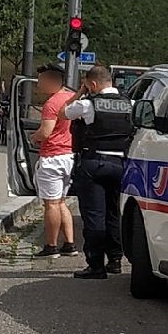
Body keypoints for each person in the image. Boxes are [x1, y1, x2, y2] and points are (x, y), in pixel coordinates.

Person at [62, 65, 135, 279]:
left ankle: (96, 265)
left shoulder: (87, 104)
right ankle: (115, 260)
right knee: (115, 214)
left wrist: (79, 92)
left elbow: (63, 112)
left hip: (95, 163)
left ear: (92, 84)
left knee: (94, 215)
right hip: (122, 164)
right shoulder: (130, 104)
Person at [32, 64, 79, 259]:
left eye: (41, 80)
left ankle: (51, 246)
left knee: (51, 204)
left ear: (52, 81)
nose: (39, 85)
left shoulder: (52, 103)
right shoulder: (72, 98)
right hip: (69, 155)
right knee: (61, 202)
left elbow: (45, 132)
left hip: (53, 157)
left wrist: (33, 138)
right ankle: (69, 243)